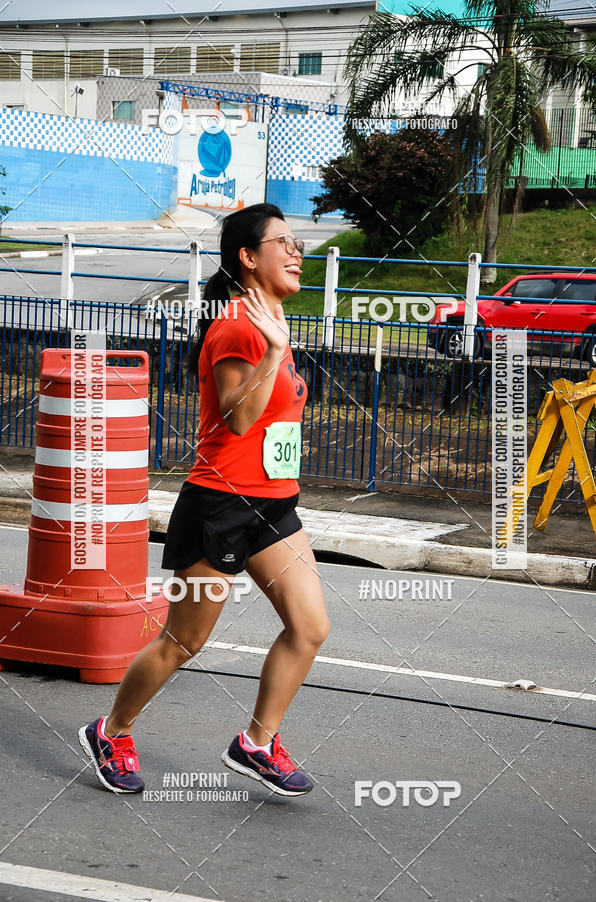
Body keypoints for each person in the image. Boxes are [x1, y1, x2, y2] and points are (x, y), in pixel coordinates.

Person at [78, 203, 330, 797]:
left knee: (310, 627)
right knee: (184, 642)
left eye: (299, 245)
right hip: (218, 506)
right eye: (284, 243)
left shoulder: (269, 319)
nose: (298, 253)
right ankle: (111, 730)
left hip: (271, 506)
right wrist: (271, 354)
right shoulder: (239, 326)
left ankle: (257, 744)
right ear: (248, 257)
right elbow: (239, 420)